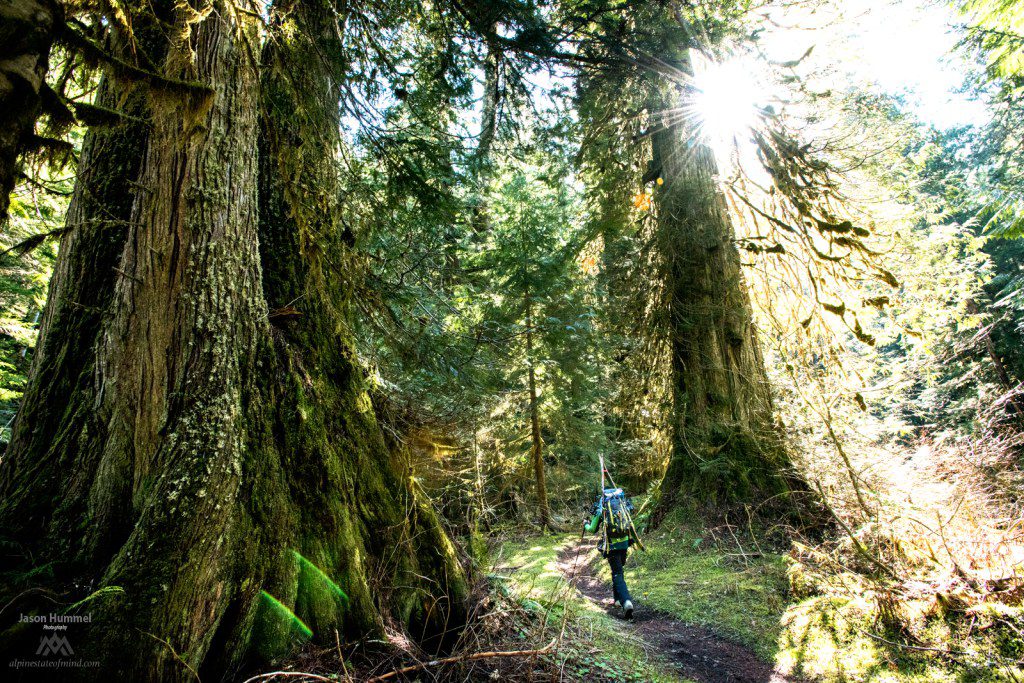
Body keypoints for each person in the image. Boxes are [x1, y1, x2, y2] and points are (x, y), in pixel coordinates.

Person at [584, 484, 638, 619]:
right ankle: (617, 600)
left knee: (617, 573)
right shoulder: (621, 503)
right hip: (625, 543)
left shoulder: (602, 508)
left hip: (612, 545)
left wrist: (585, 523)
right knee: (618, 571)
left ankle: (626, 601)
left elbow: (592, 528)